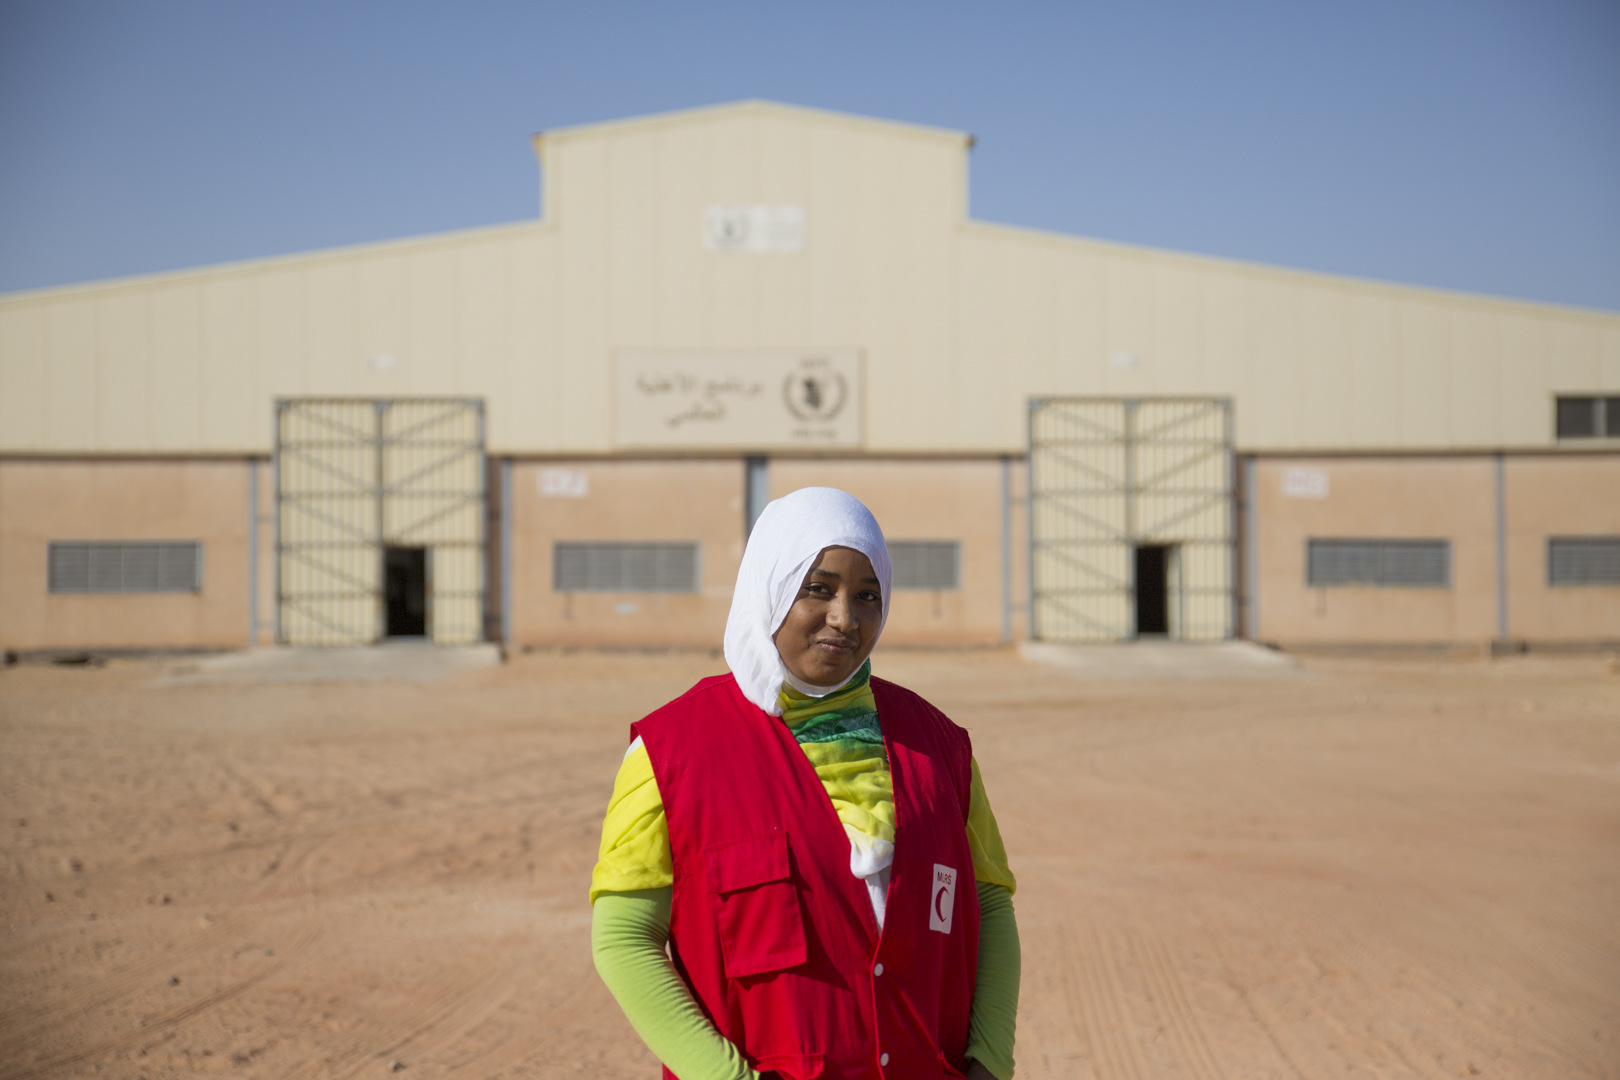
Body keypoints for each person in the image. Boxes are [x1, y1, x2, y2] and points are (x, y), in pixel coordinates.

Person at [590, 487, 1020, 1080]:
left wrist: (990, 1062)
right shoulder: (671, 754)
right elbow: (624, 940)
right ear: (770, 585)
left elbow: (988, 905)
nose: (844, 619)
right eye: (817, 588)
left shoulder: (939, 747)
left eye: (867, 596)